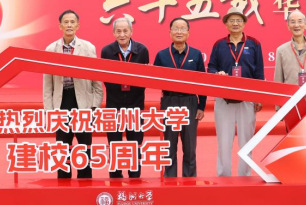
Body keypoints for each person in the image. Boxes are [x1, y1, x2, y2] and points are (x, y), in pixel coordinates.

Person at [43, 10, 103, 179]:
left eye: (72, 22)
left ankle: (85, 183)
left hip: (82, 102)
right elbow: (47, 84)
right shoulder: (51, 49)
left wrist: (94, 105)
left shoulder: (88, 48)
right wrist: (49, 111)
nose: (69, 25)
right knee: (62, 146)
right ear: (60, 26)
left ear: (78, 25)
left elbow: (97, 80)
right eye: (66, 22)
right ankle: (63, 184)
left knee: (84, 146)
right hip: (61, 101)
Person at [208, 7, 264, 177]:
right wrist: (217, 73)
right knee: (224, 141)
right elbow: (211, 67)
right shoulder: (219, 44)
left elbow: (259, 72)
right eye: (231, 20)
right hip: (224, 99)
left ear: (244, 23)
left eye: (238, 20)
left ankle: (245, 176)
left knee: (246, 141)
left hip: (247, 98)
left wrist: (259, 97)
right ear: (226, 24)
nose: (235, 23)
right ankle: (224, 176)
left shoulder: (254, 43)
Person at [153, 17, 207, 177]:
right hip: (169, 101)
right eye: (175, 28)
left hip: (190, 101)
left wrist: (201, 106)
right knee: (169, 144)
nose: (179, 32)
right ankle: (169, 179)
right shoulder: (162, 55)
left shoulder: (196, 54)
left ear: (188, 33)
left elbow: (203, 82)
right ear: (170, 32)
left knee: (190, 146)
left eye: (182, 29)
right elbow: (154, 79)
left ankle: (189, 179)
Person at [100, 18, 150, 178]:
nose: (122, 34)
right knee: (114, 143)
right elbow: (105, 78)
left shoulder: (142, 50)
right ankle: (115, 177)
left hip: (135, 105)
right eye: (118, 31)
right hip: (114, 105)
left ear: (131, 32)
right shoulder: (106, 51)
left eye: (125, 31)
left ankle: (134, 177)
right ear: (113, 33)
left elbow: (145, 78)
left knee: (135, 144)